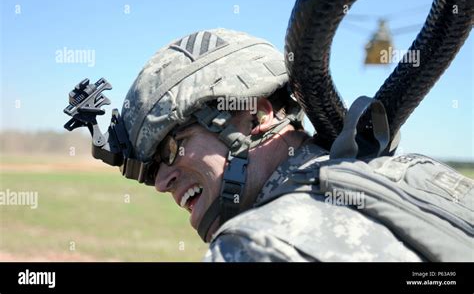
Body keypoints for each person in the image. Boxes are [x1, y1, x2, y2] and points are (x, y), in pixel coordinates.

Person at [120, 28, 473, 262]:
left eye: (170, 149)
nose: (162, 183)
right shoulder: (415, 173)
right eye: (152, 171)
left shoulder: (252, 246)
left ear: (255, 116)